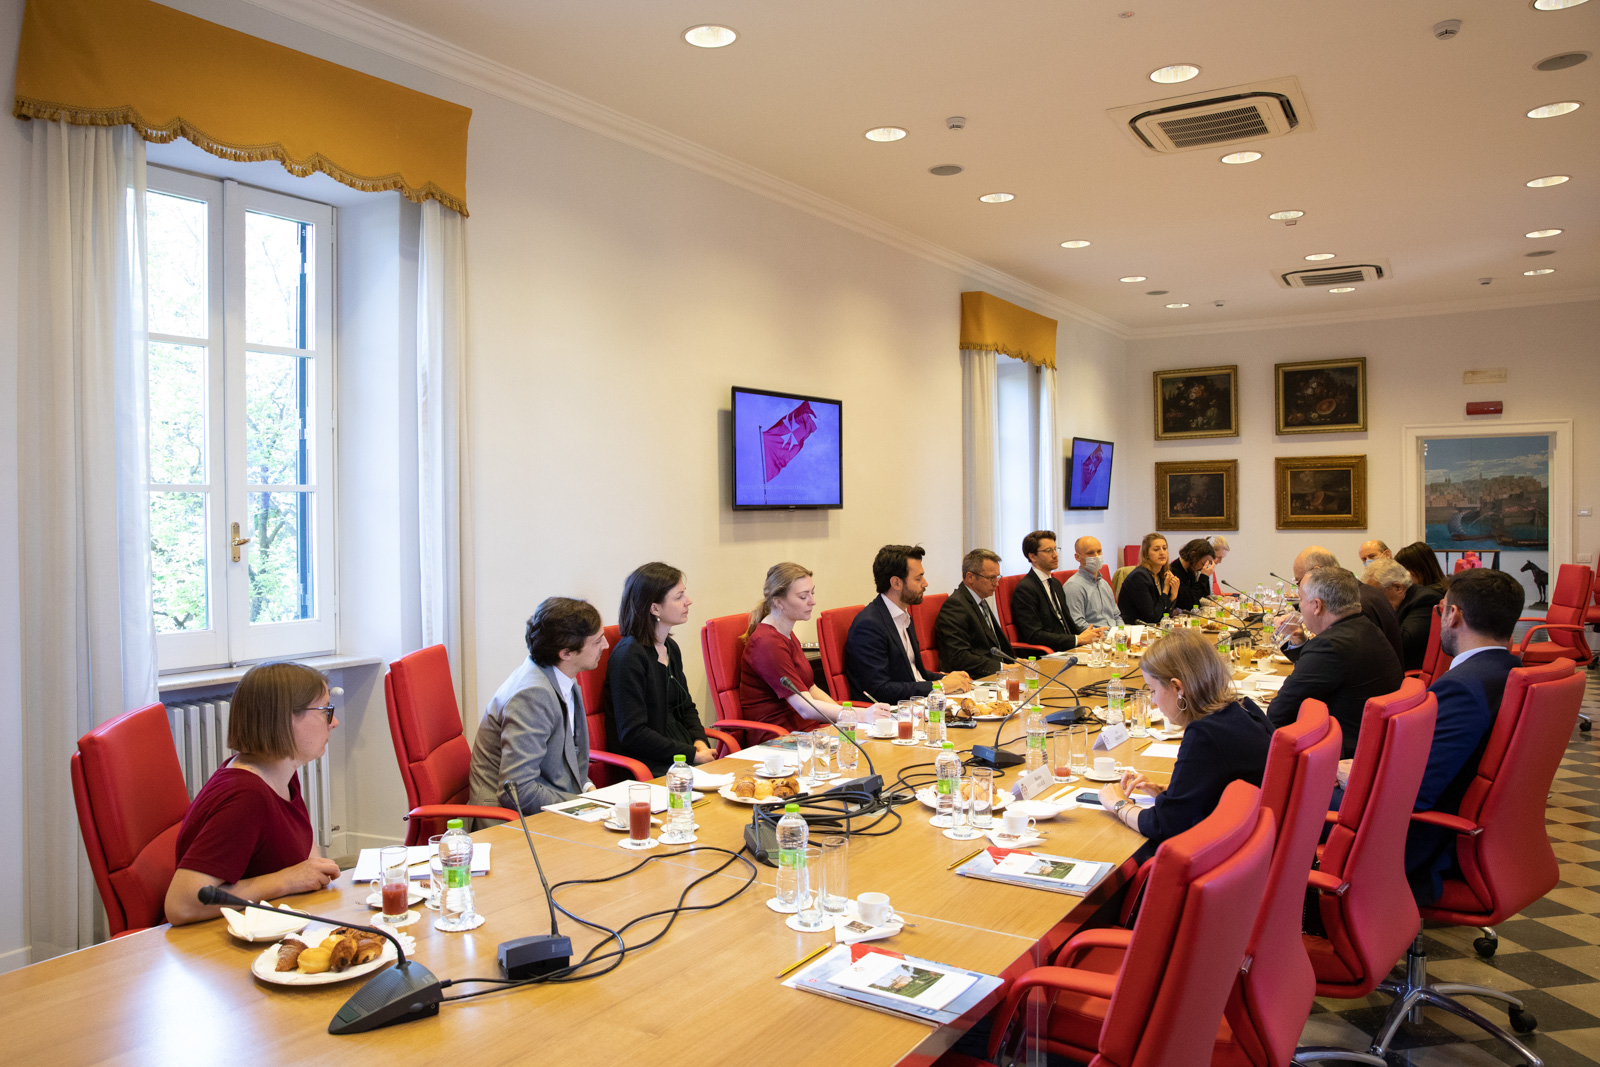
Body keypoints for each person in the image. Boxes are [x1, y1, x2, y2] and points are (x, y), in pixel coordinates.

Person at [164, 662, 342, 925]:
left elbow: (305, 857)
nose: (334, 722)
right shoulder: (246, 796)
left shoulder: (281, 771)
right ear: (285, 718)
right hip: (220, 943)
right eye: (326, 711)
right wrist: (285, 881)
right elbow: (181, 904)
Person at [1404, 568, 1525, 902]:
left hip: (1428, 842)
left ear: (1453, 614)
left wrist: (1361, 774)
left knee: (1287, 809)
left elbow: (1416, 794)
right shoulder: (1512, 671)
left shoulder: (1462, 688)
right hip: (1488, 837)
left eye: (1443, 608)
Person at [1097, 629, 1272, 847]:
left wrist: (1119, 805)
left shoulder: (1204, 735)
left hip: (1232, 857)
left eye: (1152, 690)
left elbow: (1166, 826)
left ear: (1178, 687)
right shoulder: (1244, 709)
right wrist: (1170, 794)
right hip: (1259, 845)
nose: (1153, 702)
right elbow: (1217, 789)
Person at [469, 597, 606, 817]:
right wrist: (587, 805)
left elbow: (569, 760)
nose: (606, 645)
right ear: (566, 653)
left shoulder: (562, 676)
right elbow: (518, 792)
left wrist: (589, 790)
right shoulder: (531, 695)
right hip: (508, 823)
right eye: (597, 641)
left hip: (546, 810)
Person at [1267, 566, 1405, 756]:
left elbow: (1278, 713)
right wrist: (1299, 643)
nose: (1299, 607)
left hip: (1337, 757)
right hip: (1376, 748)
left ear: (1317, 605)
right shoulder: (1366, 628)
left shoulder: (1329, 646)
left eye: (1300, 600)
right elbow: (1325, 674)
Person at [740, 562, 884, 730]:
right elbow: (805, 708)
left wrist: (847, 718)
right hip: (779, 737)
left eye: (812, 593)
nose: (813, 601)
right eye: (803, 596)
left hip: (806, 730)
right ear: (779, 602)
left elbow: (811, 688)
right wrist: (859, 715)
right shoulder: (767, 643)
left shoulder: (785, 633)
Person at [605, 563, 714, 777]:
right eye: (679, 596)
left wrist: (700, 742)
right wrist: (692, 754)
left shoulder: (670, 648)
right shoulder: (628, 656)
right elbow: (633, 734)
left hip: (682, 756)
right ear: (654, 608)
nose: (688, 601)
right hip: (650, 764)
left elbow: (686, 707)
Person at [843, 544, 972, 703]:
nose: (925, 583)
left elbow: (914, 674)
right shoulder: (869, 625)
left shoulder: (903, 615)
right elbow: (879, 690)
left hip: (917, 703)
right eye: (918, 578)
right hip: (891, 714)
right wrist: (940, 685)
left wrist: (948, 678)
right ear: (896, 583)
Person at [1278, 546, 1403, 664]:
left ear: (1317, 572)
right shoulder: (1360, 592)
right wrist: (1299, 639)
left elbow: (1325, 661)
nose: (1299, 589)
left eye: (1299, 582)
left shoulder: (1356, 604)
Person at [1010, 530, 1106, 652]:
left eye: (1056, 549)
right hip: (1047, 653)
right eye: (1048, 551)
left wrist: (1089, 634)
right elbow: (1034, 635)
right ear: (1032, 556)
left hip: (1068, 649)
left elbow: (1066, 622)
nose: (1055, 555)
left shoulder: (1055, 583)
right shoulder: (1025, 590)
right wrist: (1077, 639)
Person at [935, 549, 1013, 677]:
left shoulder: (979, 600)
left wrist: (1014, 662)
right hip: (974, 679)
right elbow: (959, 657)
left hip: (995, 675)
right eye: (991, 578)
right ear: (970, 577)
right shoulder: (955, 606)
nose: (997, 583)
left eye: (997, 577)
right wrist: (1002, 667)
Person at [1361, 557, 1444, 671]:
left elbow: (1403, 642)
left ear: (1398, 587)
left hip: (1406, 671)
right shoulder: (1405, 599)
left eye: (1377, 593)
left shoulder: (1425, 600)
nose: (1374, 599)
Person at [1118, 533, 1179, 624]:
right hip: (1134, 629)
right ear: (1146, 554)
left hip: (1152, 628)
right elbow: (1151, 617)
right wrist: (1166, 590)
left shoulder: (1161, 575)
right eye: (1156, 549)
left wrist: (1173, 597)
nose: (1162, 552)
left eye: (1164, 548)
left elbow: (1165, 616)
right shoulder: (1139, 577)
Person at [1064, 535, 1121, 630]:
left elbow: (1117, 615)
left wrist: (1122, 632)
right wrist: (1107, 636)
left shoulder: (1104, 583)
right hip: (1095, 640)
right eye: (1090, 553)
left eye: (1099, 551)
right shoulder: (1073, 586)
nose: (1096, 556)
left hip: (1114, 636)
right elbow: (1077, 623)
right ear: (1078, 557)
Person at [1169, 538, 1217, 612]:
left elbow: (1203, 596)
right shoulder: (1173, 571)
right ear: (1193, 555)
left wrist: (1206, 577)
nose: (1203, 568)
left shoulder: (1190, 570)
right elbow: (1188, 603)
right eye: (1204, 564)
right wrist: (1204, 577)